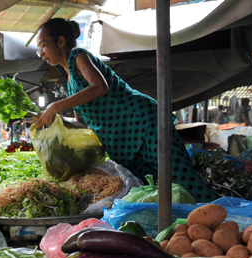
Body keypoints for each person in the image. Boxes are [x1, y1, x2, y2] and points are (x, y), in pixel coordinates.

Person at [33, 18, 217, 203]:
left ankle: (224, 217)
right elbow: (81, 122)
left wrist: (55, 106)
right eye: (38, 48)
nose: (41, 53)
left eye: (43, 46)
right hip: (124, 142)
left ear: (61, 41)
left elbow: (100, 86)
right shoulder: (70, 82)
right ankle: (184, 225)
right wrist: (51, 120)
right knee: (151, 188)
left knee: (178, 176)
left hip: (143, 124)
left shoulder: (79, 57)